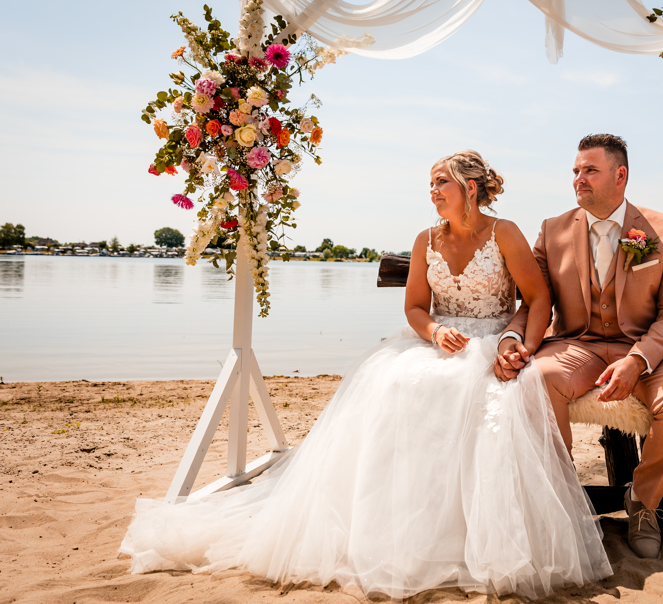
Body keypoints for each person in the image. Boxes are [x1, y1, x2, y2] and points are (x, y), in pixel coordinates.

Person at [119, 151, 611, 599]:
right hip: (439, 340)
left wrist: (519, 347)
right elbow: (415, 307)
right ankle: (395, 527)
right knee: (396, 383)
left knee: (473, 392)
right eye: (430, 184)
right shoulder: (426, 240)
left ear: (470, 187)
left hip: (494, 342)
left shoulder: (504, 232)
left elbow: (538, 298)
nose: (433, 191)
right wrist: (435, 331)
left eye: (441, 182)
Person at [495, 134, 663, 560]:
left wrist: (638, 359)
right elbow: (534, 302)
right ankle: (562, 497)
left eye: (590, 170)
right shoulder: (552, 230)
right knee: (537, 380)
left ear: (620, 175)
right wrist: (511, 339)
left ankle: (643, 499)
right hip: (579, 344)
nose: (579, 178)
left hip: (651, 348)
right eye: (576, 171)